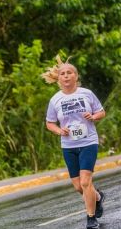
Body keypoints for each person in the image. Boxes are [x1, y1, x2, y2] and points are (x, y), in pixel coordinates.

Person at [42, 55, 106, 229]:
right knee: (79, 187)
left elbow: (101, 112)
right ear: (59, 79)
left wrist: (93, 116)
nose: (66, 76)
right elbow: (49, 123)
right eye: (63, 73)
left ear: (76, 76)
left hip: (88, 142)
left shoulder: (86, 94)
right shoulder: (55, 100)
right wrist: (59, 131)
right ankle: (98, 197)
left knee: (86, 182)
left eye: (70, 72)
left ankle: (91, 219)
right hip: (68, 145)